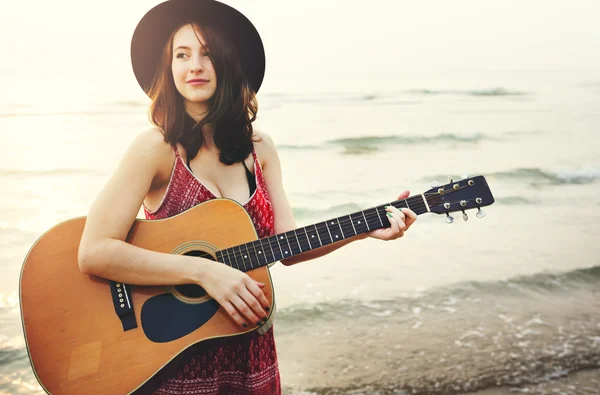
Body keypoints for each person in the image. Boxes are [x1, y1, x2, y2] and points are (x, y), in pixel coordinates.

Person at [77, 0, 418, 393]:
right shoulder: (155, 147)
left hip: (249, 347)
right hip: (177, 352)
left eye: (207, 54)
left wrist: (363, 230)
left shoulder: (262, 149)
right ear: (168, 68)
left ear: (228, 62)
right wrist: (203, 271)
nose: (194, 66)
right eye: (182, 55)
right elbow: (94, 251)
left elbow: (286, 246)